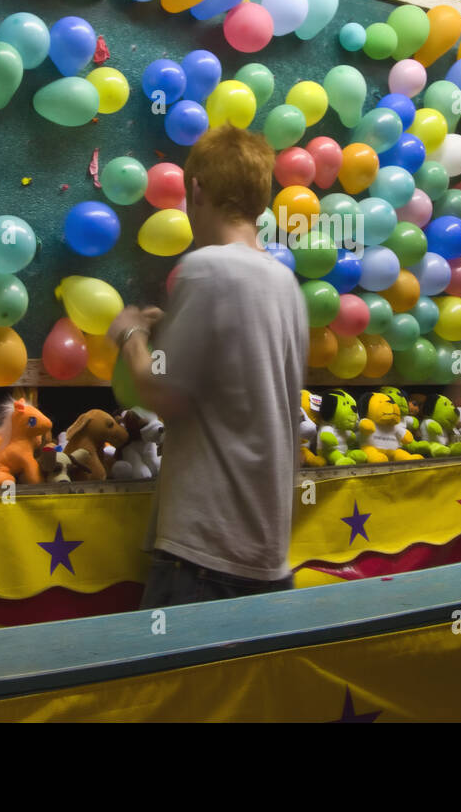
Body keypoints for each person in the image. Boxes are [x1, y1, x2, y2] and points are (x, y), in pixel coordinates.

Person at [109, 126, 308, 608]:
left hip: (205, 554)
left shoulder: (206, 269)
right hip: (266, 549)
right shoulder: (287, 285)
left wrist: (131, 334)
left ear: (195, 189)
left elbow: (160, 395)